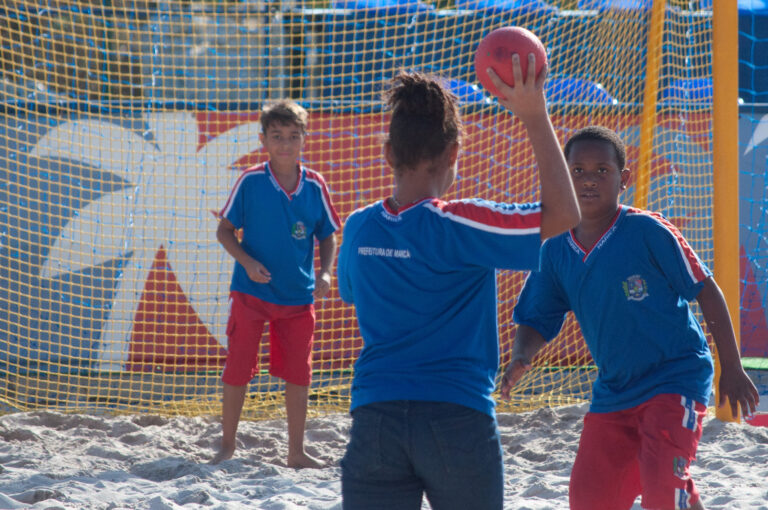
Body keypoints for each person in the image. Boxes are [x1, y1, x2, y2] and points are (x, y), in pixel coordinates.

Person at [336, 54, 581, 509]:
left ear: (388, 153)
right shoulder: (463, 224)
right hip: (456, 417)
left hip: (374, 417)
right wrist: (534, 114)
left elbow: (350, 293)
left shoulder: (359, 227)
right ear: (453, 154)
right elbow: (566, 214)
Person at [501, 125, 760, 510]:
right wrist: (522, 353)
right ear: (562, 176)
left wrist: (733, 368)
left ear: (623, 179)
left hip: (675, 378)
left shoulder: (647, 230)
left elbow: (706, 289)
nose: (589, 180)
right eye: (578, 171)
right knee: (589, 498)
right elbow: (537, 316)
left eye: (601, 171)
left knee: (661, 492)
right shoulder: (554, 247)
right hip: (614, 390)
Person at [212, 99, 341, 468]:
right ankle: (227, 444)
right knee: (238, 367)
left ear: (305, 139)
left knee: (299, 374)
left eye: (293, 136)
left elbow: (329, 235)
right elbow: (224, 231)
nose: (285, 143)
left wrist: (326, 272)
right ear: (263, 140)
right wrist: (248, 263)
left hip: (298, 297)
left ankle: (296, 452)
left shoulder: (316, 185)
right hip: (251, 293)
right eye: (277, 136)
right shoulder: (251, 181)